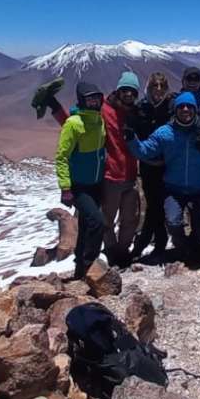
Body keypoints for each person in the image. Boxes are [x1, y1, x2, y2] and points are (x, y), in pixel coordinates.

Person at [125, 92, 200, 263]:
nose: (185, 110)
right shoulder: (165, 133)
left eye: (189, 107)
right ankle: (184, 248)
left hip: (199, 191)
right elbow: (144, 150)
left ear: (195, 110)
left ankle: (194, 244)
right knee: (173, 223)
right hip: (173, 190)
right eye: (181, 106)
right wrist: (131, 138)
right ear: (175, 110)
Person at [41, 72, 143, 267]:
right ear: (118, 90)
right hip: (111, 177)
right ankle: (112, 253)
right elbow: (75, 122)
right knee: (106, 221)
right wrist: (54, 105)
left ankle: (123, 252)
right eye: (125, 90)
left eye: (133, 91)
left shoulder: (136, 113)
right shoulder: (103, 110)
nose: (129, 94)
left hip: (130, 176)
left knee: (131, 219)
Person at [54, 82, 108, 279]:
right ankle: (89, 265)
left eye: (97, 97)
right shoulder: (74, 123)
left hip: (96, 184)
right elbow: (61, 156)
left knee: (86, 226)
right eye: (89, 98)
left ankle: (79, 272)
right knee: (97, 222)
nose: (94, 101)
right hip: (79, 186)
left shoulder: (99, 120)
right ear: (81, 100)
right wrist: (66, 187)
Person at [129, 72, 175, 260]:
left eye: (162, 87)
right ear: (148, 88)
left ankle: (148, 243)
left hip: (167, 164)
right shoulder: (141, 108)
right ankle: (155, 241)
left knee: (161, 204)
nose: (158, 91)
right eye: (154, 87)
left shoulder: (172, 107)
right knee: (154, 204)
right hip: (148, 165)